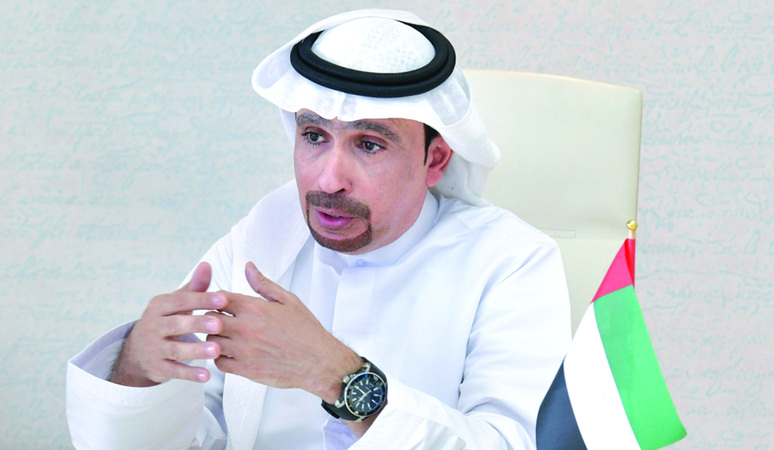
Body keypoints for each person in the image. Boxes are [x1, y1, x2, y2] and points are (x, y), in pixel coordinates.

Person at [66, 9, 571, 449]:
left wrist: (336, 376)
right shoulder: (263, 235)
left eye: (369, 144)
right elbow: (198, 435)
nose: (329, 180)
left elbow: (515, 443)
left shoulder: (511, 261)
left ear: (434, 160)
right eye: (314, 136)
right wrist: (137, 370)